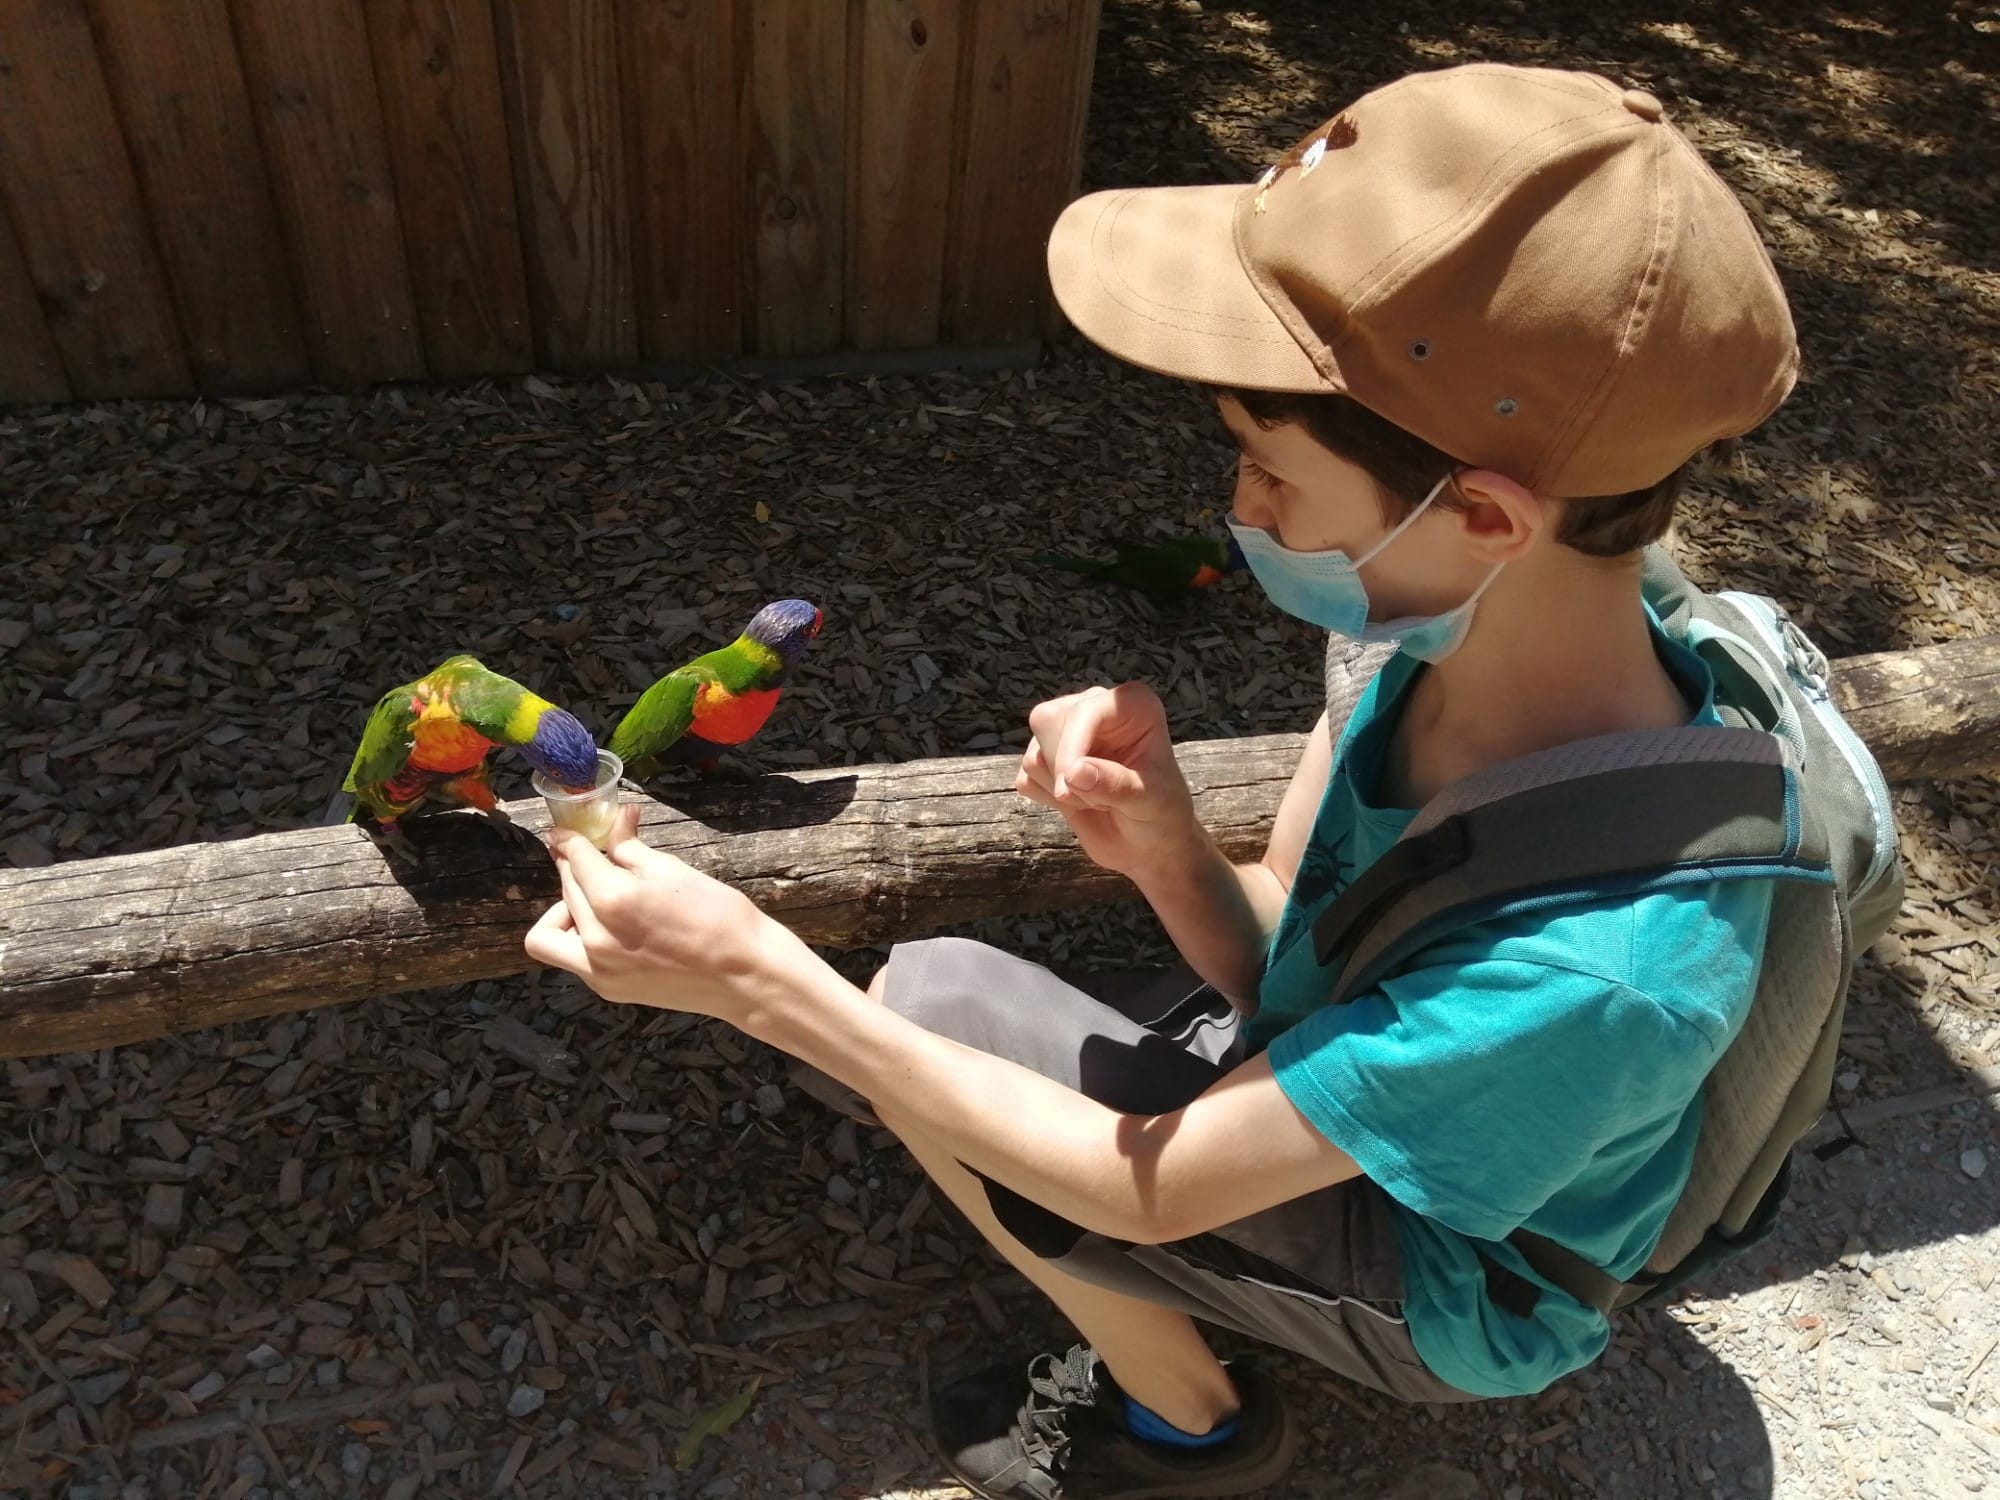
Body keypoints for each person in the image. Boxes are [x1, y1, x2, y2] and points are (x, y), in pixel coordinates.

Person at [525, 62, 1801, 1500]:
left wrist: (757, 980)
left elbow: (1143, 1182)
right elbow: (1294, 972)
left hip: (1472, 1289)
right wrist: (1171, 851)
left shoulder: (1604, 964)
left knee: (931, 1053)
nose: (1240, 512)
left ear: (1489, 515)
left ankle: (1188, 1429)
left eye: (1268, 470)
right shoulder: (1438, 652)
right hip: (1417, 1117)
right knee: (936, 1009)